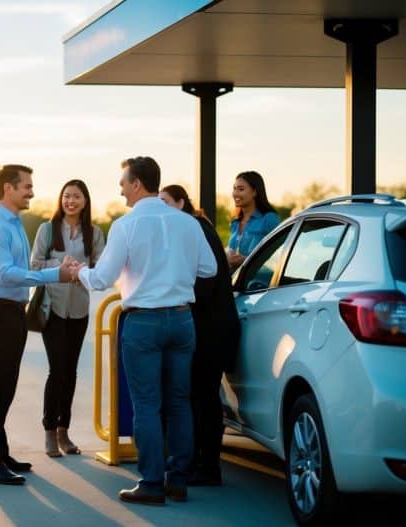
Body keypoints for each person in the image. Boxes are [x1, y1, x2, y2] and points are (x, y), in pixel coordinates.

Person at [73, 157, 217, 505]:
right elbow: (209, 268)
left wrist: (79, 271)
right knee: (180, 402)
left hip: (143, 323)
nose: (120, 189)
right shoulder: (188, 224)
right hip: (183, 321)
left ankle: (152, 483)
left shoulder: (126, 225)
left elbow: (102, 279)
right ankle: (178, 479)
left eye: (123, 182)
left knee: (147, 404)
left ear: (137, 183)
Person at [0, 164, 75, 486]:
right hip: (0, 312)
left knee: (7, 386)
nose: (31, 191)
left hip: (13, 312)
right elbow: (5, 274)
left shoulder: (15, 224)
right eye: (26, 186)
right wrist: (53, 274)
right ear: (8, 188)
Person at [160, 184, 240, 486]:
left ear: (182, 203)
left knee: (203, 397)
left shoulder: (194, 227)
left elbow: (204, 282)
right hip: (210, 326)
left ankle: (207, 467)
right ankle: (202, 464)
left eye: (167, 202)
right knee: (200, 396)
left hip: (211, 328)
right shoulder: (195, 227)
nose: (163, 210)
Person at [30, 179, 105, 457]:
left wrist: (83, 270)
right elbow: (35, 265)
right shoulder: (47, 230)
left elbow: (100, 268)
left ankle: (64, 431)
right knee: (57, 369)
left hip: (79, 309)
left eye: (76, 196)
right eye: (66, 196)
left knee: (71, 371)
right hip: (54, 308)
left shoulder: (94, 232)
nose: (70, 201)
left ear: (85, 201)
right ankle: (49, 431)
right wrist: (60, 267)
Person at [226, 170, 280, 270]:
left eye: (241, 189)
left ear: (254, 192)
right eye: (234, 189)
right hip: (235, 281)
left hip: (259, 283)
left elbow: (278, 256)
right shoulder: (235, 223)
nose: (235, 194)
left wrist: (247, 261)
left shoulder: (269, 219)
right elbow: (230, 250)